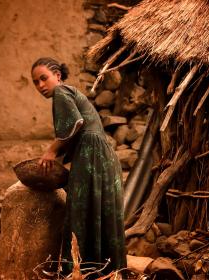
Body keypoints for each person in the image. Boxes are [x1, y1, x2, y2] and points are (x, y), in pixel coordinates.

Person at [31, 57, 127, 275]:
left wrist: (51, 151)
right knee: (98, 210)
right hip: (101, 154)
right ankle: (106, 271)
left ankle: (77, 271)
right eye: (36, 82)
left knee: (80, 210)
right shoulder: (70, 92)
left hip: (91, 153)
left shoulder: (61, 92)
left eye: (44, 78)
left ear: (57, 75)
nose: (40, 86)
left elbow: (74, 124)